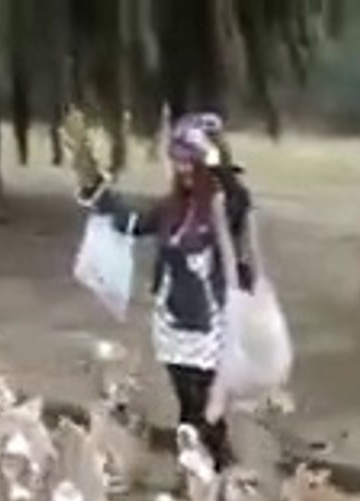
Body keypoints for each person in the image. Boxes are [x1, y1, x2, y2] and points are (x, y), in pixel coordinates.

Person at [74, 112, 254, 470]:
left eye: (190, 161)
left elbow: (238, 207)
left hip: (210, 318)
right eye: (178, 161)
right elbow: (133, 221)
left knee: (206, 402)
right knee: (186, 400)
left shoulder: (225, 203)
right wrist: (96, 185)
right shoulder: (171, 208)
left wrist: (219, 167)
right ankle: (198, 470)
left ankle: (220, 466)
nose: (182, 169)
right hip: (172, 319)